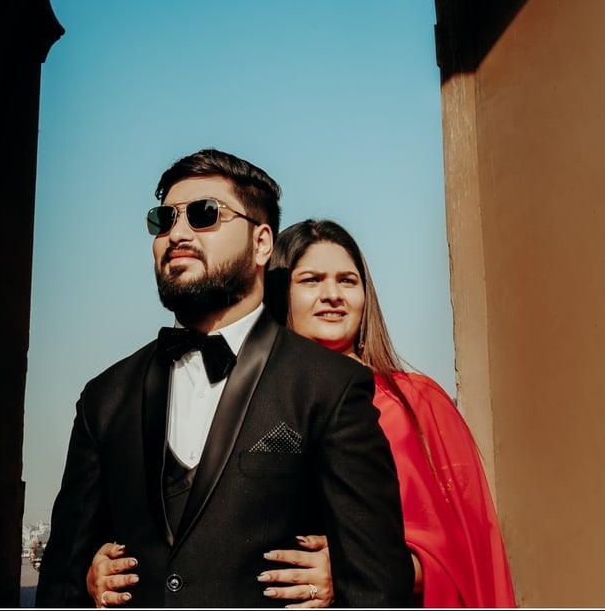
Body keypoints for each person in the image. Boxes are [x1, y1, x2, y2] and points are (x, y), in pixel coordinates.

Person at [35, 150, 414, 608]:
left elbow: (378, 585)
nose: (176, 233)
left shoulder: (329, 388)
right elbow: (60, 584)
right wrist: (85, 580)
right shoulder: (105, 397)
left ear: (261, 244)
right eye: (163, 219)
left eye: (204, 215)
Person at [89, 218, 517, 608]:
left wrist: (355, 569)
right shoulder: (211, 395)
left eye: (347, 280)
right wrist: (98, 568)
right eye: (311, 280)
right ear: (280, 293)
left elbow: (469, 553)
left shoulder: (418, 402)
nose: (332, 295)